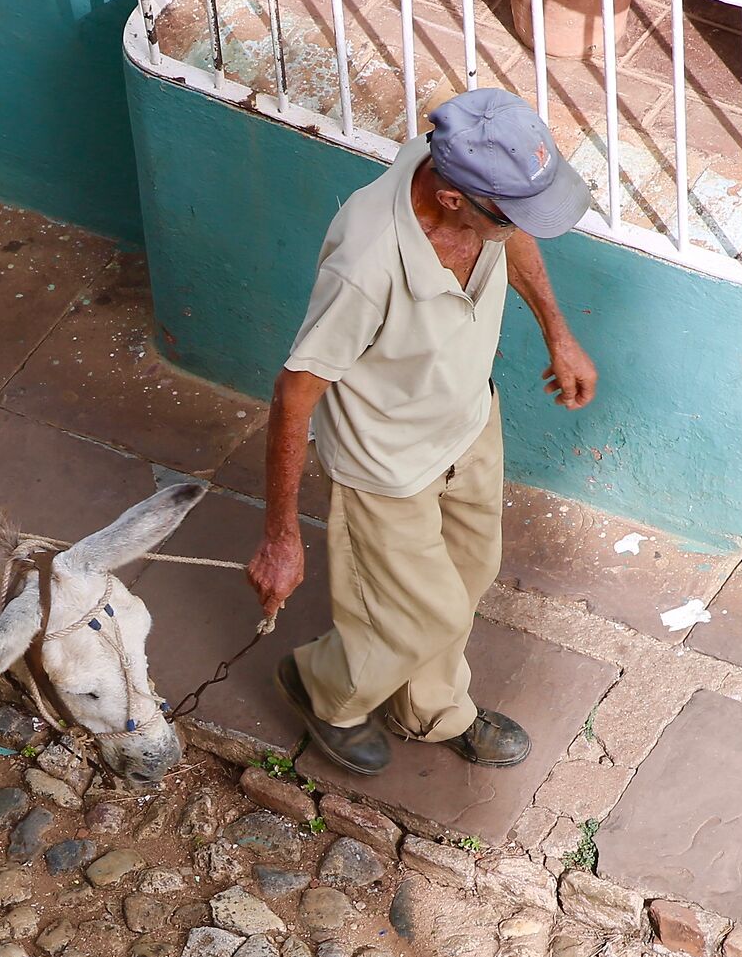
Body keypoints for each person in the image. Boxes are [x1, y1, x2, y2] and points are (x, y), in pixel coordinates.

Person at [244, 88, 598, 775]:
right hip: (386, 462)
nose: (520, 223)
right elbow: (294, 394)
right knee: (420, 615)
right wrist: (281, 537)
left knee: (467, 579)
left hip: (467, 422)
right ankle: (323, 689)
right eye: (508, 212)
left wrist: (559, 332)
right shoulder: (367, 264)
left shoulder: (475, 191)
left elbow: (514, 232)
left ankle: (430, 710)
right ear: (455, 200)